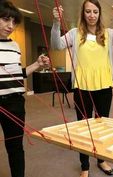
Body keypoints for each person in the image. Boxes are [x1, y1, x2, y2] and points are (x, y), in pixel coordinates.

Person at [50, 0, 113, 177]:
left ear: (99, 13)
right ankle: (85, 165)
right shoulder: (74, 33)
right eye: (88, 11)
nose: (92, 15)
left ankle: (102, 160)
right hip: (82, 87)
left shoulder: (109, 34)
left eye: (95, 12)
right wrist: (56, 23)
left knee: (103, 126)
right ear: (83, 13)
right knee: (84, 128)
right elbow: (56, 45)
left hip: (104, 87)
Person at [0, 1, 50, 177]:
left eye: (14, 22)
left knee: (15, 147)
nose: (10, 26)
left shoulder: (15, 46)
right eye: (6, 20)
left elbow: (18, 74)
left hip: (15, 102)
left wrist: (37, 64)